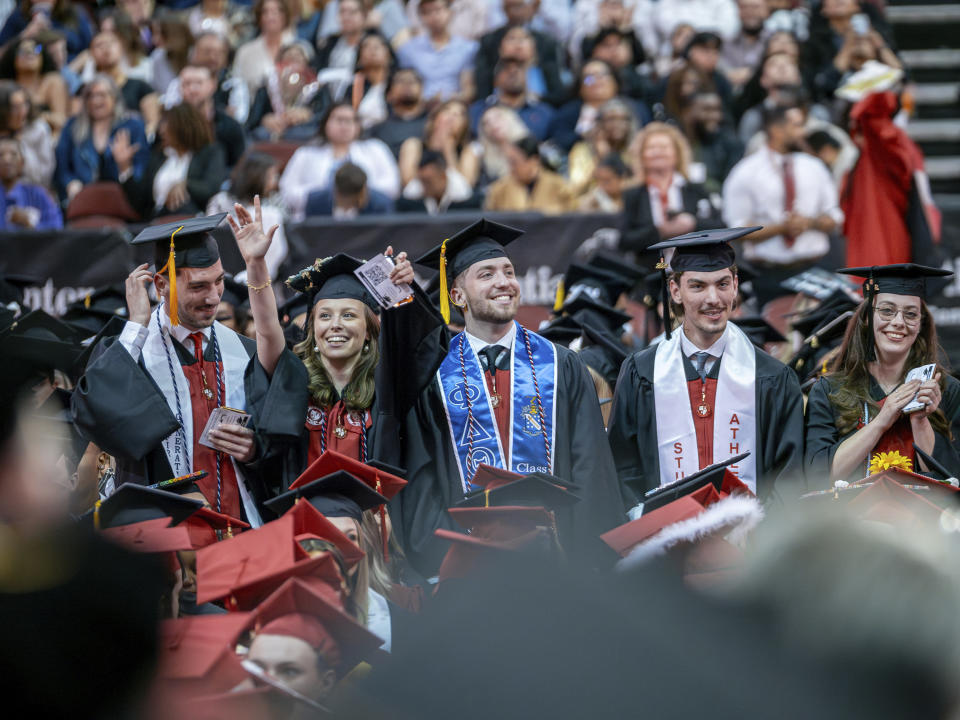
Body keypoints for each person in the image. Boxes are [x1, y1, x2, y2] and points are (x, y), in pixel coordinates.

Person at [403, 218, 626, 575]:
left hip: (555, 562)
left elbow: (590, 466)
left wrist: (581, 560)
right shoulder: (434, 376)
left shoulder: (561, 364)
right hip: (468, 563)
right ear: (457, 295)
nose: (504, 282)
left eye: (508, 271)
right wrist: (445, 555)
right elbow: (423, 476)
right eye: (486, 274)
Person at [70, 213, 307, 524]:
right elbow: (93, 415)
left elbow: (278, 432)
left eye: (219, 281)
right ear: (160, 285)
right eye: (198, 286)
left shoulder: (241, 351)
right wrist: (137, 325)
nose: (213, 297)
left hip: (241, 526)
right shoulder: (131, 354)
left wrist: (254, 450)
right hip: (163, 534)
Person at [231, 202, 441, 475]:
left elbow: (416, 344)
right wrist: (256, 264)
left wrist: (399, 288)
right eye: (325, 316)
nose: (336, 325)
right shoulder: (294, 381)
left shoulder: (388, 384)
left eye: (349, 316)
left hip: (374, 515)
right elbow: (267, 329)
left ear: (369, 328)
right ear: (312, 328)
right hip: (306, 513)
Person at [607, 227, 805, 509]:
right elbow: (623, 467)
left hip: (750, 543)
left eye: (722, 284)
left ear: (735, 285)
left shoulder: (772, 377)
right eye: (698, 286)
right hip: (663, 540)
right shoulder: (643, 372)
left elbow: (789, 476)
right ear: (675, 291)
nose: (713, 299)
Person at [804, 264, 960, 483]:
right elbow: (819, 477)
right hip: (847, 516)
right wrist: (883, 419)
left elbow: (951, 482)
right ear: (867, 318)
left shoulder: (945, 390)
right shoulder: (829, 390)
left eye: (911, 314)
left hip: (921, 515)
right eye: (887, 310)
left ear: (921, 324)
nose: (898, 322)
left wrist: (921, 421)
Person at [721, 103, 842, 307]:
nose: (802, 132)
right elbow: (736, 230)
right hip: (767, 275)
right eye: (796, 125)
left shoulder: (815, 167)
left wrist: (809, 223)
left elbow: (835, 218)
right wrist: (782, 228)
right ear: (776, 130)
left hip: (815, 269)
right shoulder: (745, 172)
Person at [620, 122, 723, 268]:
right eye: (651, 148)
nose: (658, 152)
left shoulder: (695, 189)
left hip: (693, 269)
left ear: (677, 154)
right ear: (641, 155)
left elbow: (720, 227)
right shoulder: (633, 194)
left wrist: (693, 224)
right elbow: (624, 241)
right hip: (651, 272)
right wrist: (660, 231)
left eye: (664, 147)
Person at [279, 101, 400, 221]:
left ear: (358, 125)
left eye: (350, 121)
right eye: (339, 120)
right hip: (316, 219)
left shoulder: (375, 148)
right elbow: (287, 190)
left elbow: (392, 186)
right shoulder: (306, 153)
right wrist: (325, 196)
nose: (344, 126)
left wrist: (354, 192)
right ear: (325, 123)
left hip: (367, 218)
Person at [118, 103, 227, 219]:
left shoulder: (210, 152)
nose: (161, 130)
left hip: (194, 221)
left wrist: (185, 185)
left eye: (166, 123)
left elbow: (211, 187)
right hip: (158, 221)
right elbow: (140, 202)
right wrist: (125, 167)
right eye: (161, 123)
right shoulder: (159, 155)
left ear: (184, 126)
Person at [53, 74, 150, 202]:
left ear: (114, 97)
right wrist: (70, 183)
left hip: (123, 198)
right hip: (82, 198)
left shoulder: (133, 126)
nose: (95, 101)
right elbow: (61, 167)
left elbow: (142, 169)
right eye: (90, 96)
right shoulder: (72, 126)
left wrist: (125, 168)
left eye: (102, 95)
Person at [206, 151, 289, 281]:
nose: (275, 181)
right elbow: (213, 236)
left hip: (268, 262)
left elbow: (284, 230)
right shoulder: (221, 201)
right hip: (229, 261)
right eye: (272, 176)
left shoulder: (274, 200)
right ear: (256, 177)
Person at [548, 59, 649, 154]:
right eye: (589, 78)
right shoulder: (568, 112)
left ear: (615, 81)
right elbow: (559, 142)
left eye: (603, 75)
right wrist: (587, 136)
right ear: (580, 87)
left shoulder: (636, 108)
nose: (597, 81)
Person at [396, 0, 477, 103]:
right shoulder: (407, 49)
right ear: (420, 17)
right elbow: (405, 85)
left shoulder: (468, 48)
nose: (434, 16)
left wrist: (450, 99)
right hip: (419, 108)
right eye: (427, 12)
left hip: (456, 107)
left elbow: (468, 88)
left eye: (438, 10)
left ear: (450, 12)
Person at [85, 30, 159, 139]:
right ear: (91, 53)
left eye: (111, 43)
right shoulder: (85, 90)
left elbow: (153, 124)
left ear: (121, 47)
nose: (106, 48)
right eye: (99, 45)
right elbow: (79, 124)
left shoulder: (141, 86)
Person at [468, 56, 555, 142]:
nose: (513, 71)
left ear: (527, 78)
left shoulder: (544, 112)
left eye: (519, 68)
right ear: (495, 80)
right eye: (506, 68)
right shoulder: (478, 111)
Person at [398, 99, 478, 188]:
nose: (452, 116)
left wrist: (448, 150)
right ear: (435, 118)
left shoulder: (468, 151)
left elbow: (465, 188)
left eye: (459, 114)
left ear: (464, 126)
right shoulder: (414, 145)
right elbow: (408, 182)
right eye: (447, 110)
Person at [178, 64, 246, 168]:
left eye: (199, 83)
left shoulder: (229, 127)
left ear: (212, 85)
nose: (192, 89)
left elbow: (238, 167)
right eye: (186, 84)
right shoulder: (170, 124)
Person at [567, 97, 636, 199]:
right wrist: (600, 161)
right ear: (599, 123)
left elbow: (636, 184)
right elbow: (576, 188)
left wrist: (608, 156)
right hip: (593, 205)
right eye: (611, 119)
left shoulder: (634, 150)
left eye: (623, 119)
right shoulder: (582, 150)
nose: (617, 124)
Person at [485, 135, 574, 213]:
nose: (511, 168)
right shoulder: (499, 189)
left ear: (533, 161)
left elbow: (573, 211)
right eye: (510, 162)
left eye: (515, 162)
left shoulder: (557, 185)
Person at [0, 36, 69, 135]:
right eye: (23, 51)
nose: (30, 54)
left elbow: (61, 121)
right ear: (12, 58)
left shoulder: (52, 81)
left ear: (43, 57)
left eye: (37, 49)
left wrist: (34, 117)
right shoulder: (3, 85)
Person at [680, 89, 744, 193]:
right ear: (689, 111)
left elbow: (731, 183)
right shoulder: (679, 141)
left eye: (717, 110)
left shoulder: (731, 144)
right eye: (707, 110)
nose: (714, 116)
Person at [232, 0, 295, 93]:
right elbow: (236, 85)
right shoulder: (245, 52)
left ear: (285, 16)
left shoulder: (297, 49)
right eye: (265, 12)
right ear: (259, 17)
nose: (270, 17)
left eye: (276, 12)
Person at [0, 80, 54, 187]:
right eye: (15, 107)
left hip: (31, 192)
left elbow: (43, 176)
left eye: (24, 104)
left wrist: (21, 144)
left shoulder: (39, 129)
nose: (22, 112)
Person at [0, 0, 94, 61]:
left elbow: (91, 49)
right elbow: (2, 51)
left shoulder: (73, 14)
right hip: (29, 70)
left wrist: (71, 70)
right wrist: (25, 34)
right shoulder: (19, 16)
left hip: (72, 72)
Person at [0, 137, 62, 230]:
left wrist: (30, 224)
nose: (7, 160)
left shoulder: (39, 195)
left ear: (22, 162)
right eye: (0, 155)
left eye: (13, 154)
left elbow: (57, 228)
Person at [397, 149, 480, 214]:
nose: (423, 186)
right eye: (421, 181)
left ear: (443, 176)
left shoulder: (460, 189)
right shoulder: (416, 185)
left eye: (428, 181)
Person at [369, 68, 427, 158]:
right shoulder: (377, 130)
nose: (407, 84)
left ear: (422, 91)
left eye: (413, 81)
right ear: (389, 94)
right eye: (400, 81)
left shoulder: (432, 123)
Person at [304, 162, 394, 217]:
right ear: (336, 190)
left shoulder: (380, 206)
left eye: (352, 199)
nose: (347, 204)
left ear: (363, 192)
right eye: (344, 197)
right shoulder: (315, 202)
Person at [720, 0, 771, 90]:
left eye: (755, 7)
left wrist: (753, 74)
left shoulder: (775, 41)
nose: (750, 12)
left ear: (766, 10)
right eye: (744, 7)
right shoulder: (726, 42)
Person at [352, 32, 395, 131]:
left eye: (378, 46)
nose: (373, 50)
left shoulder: (397, 84)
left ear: (389, 55)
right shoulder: (354, 86)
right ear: (359, 59)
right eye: (366, 46)